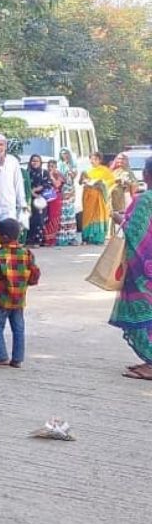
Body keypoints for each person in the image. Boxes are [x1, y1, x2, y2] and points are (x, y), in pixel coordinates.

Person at [111, 159, 152, 380]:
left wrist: (119, 218)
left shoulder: (144, 200)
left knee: (143, 312)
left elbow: (134, 231)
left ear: (146, 174)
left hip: (144, 268)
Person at [0, 219, 39, 369]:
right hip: (19, 298)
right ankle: (17, 359)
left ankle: (2, 357)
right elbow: (34, 274)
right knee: (18, 328)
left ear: (5, 237)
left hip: (1, 298)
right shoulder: (27, 253)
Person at [0, 134, 25, 224]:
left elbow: (18, 183)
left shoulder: (13, 161)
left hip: (9, 205)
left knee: (8, 232)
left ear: (5, 146)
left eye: (1, 144)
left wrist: (22, 204)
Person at [80, 152, 114, 245]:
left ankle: (98, 238)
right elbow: (82, 181)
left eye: (95, 159)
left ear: (100, 160)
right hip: (88, 196)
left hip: (99, 196)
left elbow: (111, 180)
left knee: (99, 215)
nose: (93, 161)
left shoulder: (105, 170)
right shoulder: (87, 170)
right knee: (87, 216)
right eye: (91, 159)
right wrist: (85, 181)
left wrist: (102, 183)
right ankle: (86, 237)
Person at [56, 149, 82, 246]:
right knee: (62, 215)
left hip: (70, 189)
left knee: (70, 214)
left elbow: (73, 176)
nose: (64, 155)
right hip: (61, 190)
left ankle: (71, 237)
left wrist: (69, 170)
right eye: (62, 154)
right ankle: (62, 237)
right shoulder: (58, 164)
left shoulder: (72, 165)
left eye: (66, 153)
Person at [110, 153, 140, 233]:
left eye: (123, 159)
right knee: (113, 216)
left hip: (125, 197)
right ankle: (112, 234)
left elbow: (135, 185)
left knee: (124, 217)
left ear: (126, 161)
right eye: (119, 159)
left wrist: (125, 182)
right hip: (113, 197)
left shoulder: (128, 172)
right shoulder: (112, 171)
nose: (120, 161)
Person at [26, 155, 51, 247]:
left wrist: (36, 191)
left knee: (39, 220)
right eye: (33, 161)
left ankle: (38, 241)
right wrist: (31, 193)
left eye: (37, 161)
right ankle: (29, 240)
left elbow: (47, 185)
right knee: (29, 219)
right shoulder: (27, 172)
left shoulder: (44, 172)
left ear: (40, 162)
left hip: (41, 200)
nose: (35, 162)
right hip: (29, 199)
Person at [44, 162, 65, 247]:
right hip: (47, 198)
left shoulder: (58, 175)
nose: (50, 168)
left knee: (54, 217)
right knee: (47, 217)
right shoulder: (45, 174)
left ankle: (52, 239)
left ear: (56, 167)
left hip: (55, 198)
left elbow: (57, 184)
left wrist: (51, 176)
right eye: (49, 166)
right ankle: (46, 238)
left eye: (52, 166)